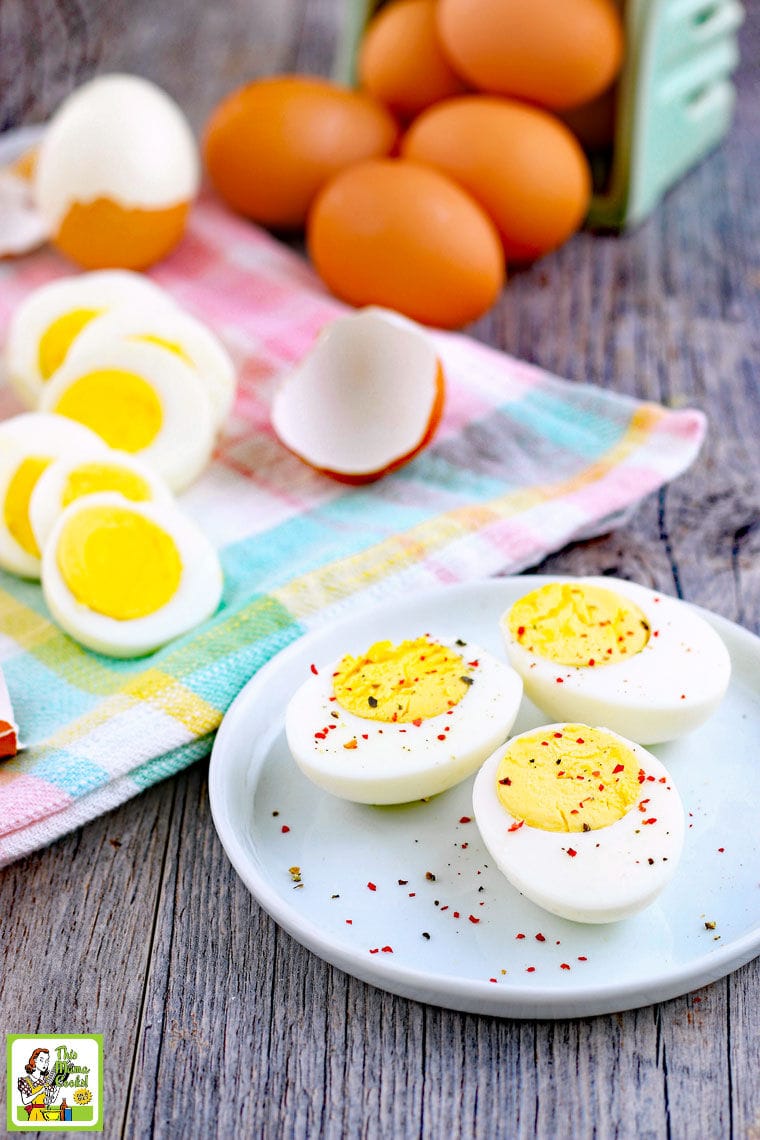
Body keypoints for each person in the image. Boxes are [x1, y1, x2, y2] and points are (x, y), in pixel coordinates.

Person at [17, 1048, 59, 1122]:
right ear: (34, 1060)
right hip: (35, 1114)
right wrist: (39, 1092)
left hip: (46, 1114)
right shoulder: (25, 1081)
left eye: (47, 1061)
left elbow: (52, 1100)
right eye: (41, 1060)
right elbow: (25, 1101)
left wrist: (58, 1086)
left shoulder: (46, 1079)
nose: (45, 1064)